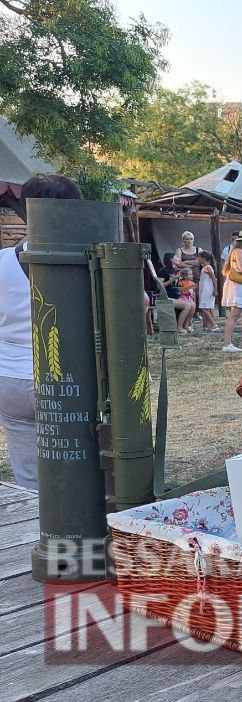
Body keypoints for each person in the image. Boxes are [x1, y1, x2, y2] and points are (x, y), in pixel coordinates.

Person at [0, 173, 83, 491]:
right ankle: (75, 528)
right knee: (76, 462)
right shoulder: (81, 258)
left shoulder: (2, 261)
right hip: (65, 377)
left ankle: (38, 529)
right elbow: (140, 301)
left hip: (9, 376)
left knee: (28, 472)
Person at [158, 253, 197, 334]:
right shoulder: (163, 270)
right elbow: (159, 286)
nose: (178, 258)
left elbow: (174, 288)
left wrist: (188, 288)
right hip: (165, 296)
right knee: (187, 305)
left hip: (175, 296)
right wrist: (172, 280)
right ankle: (179, 327)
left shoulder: (176, 271)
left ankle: (186, 325)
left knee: (193, 305)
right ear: (171, 259)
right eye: (176, 257)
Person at [195, 251, 218, 331]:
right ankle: (208, 325)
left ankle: (214, 325)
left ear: (204, 258)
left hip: (207, 291)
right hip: (204, 291)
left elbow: (214, 279)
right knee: (206, 309)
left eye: (199, 257)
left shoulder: (207, 268)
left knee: (204, 309)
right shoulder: (205, 268)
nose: (198, 259)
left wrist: (215, 290)